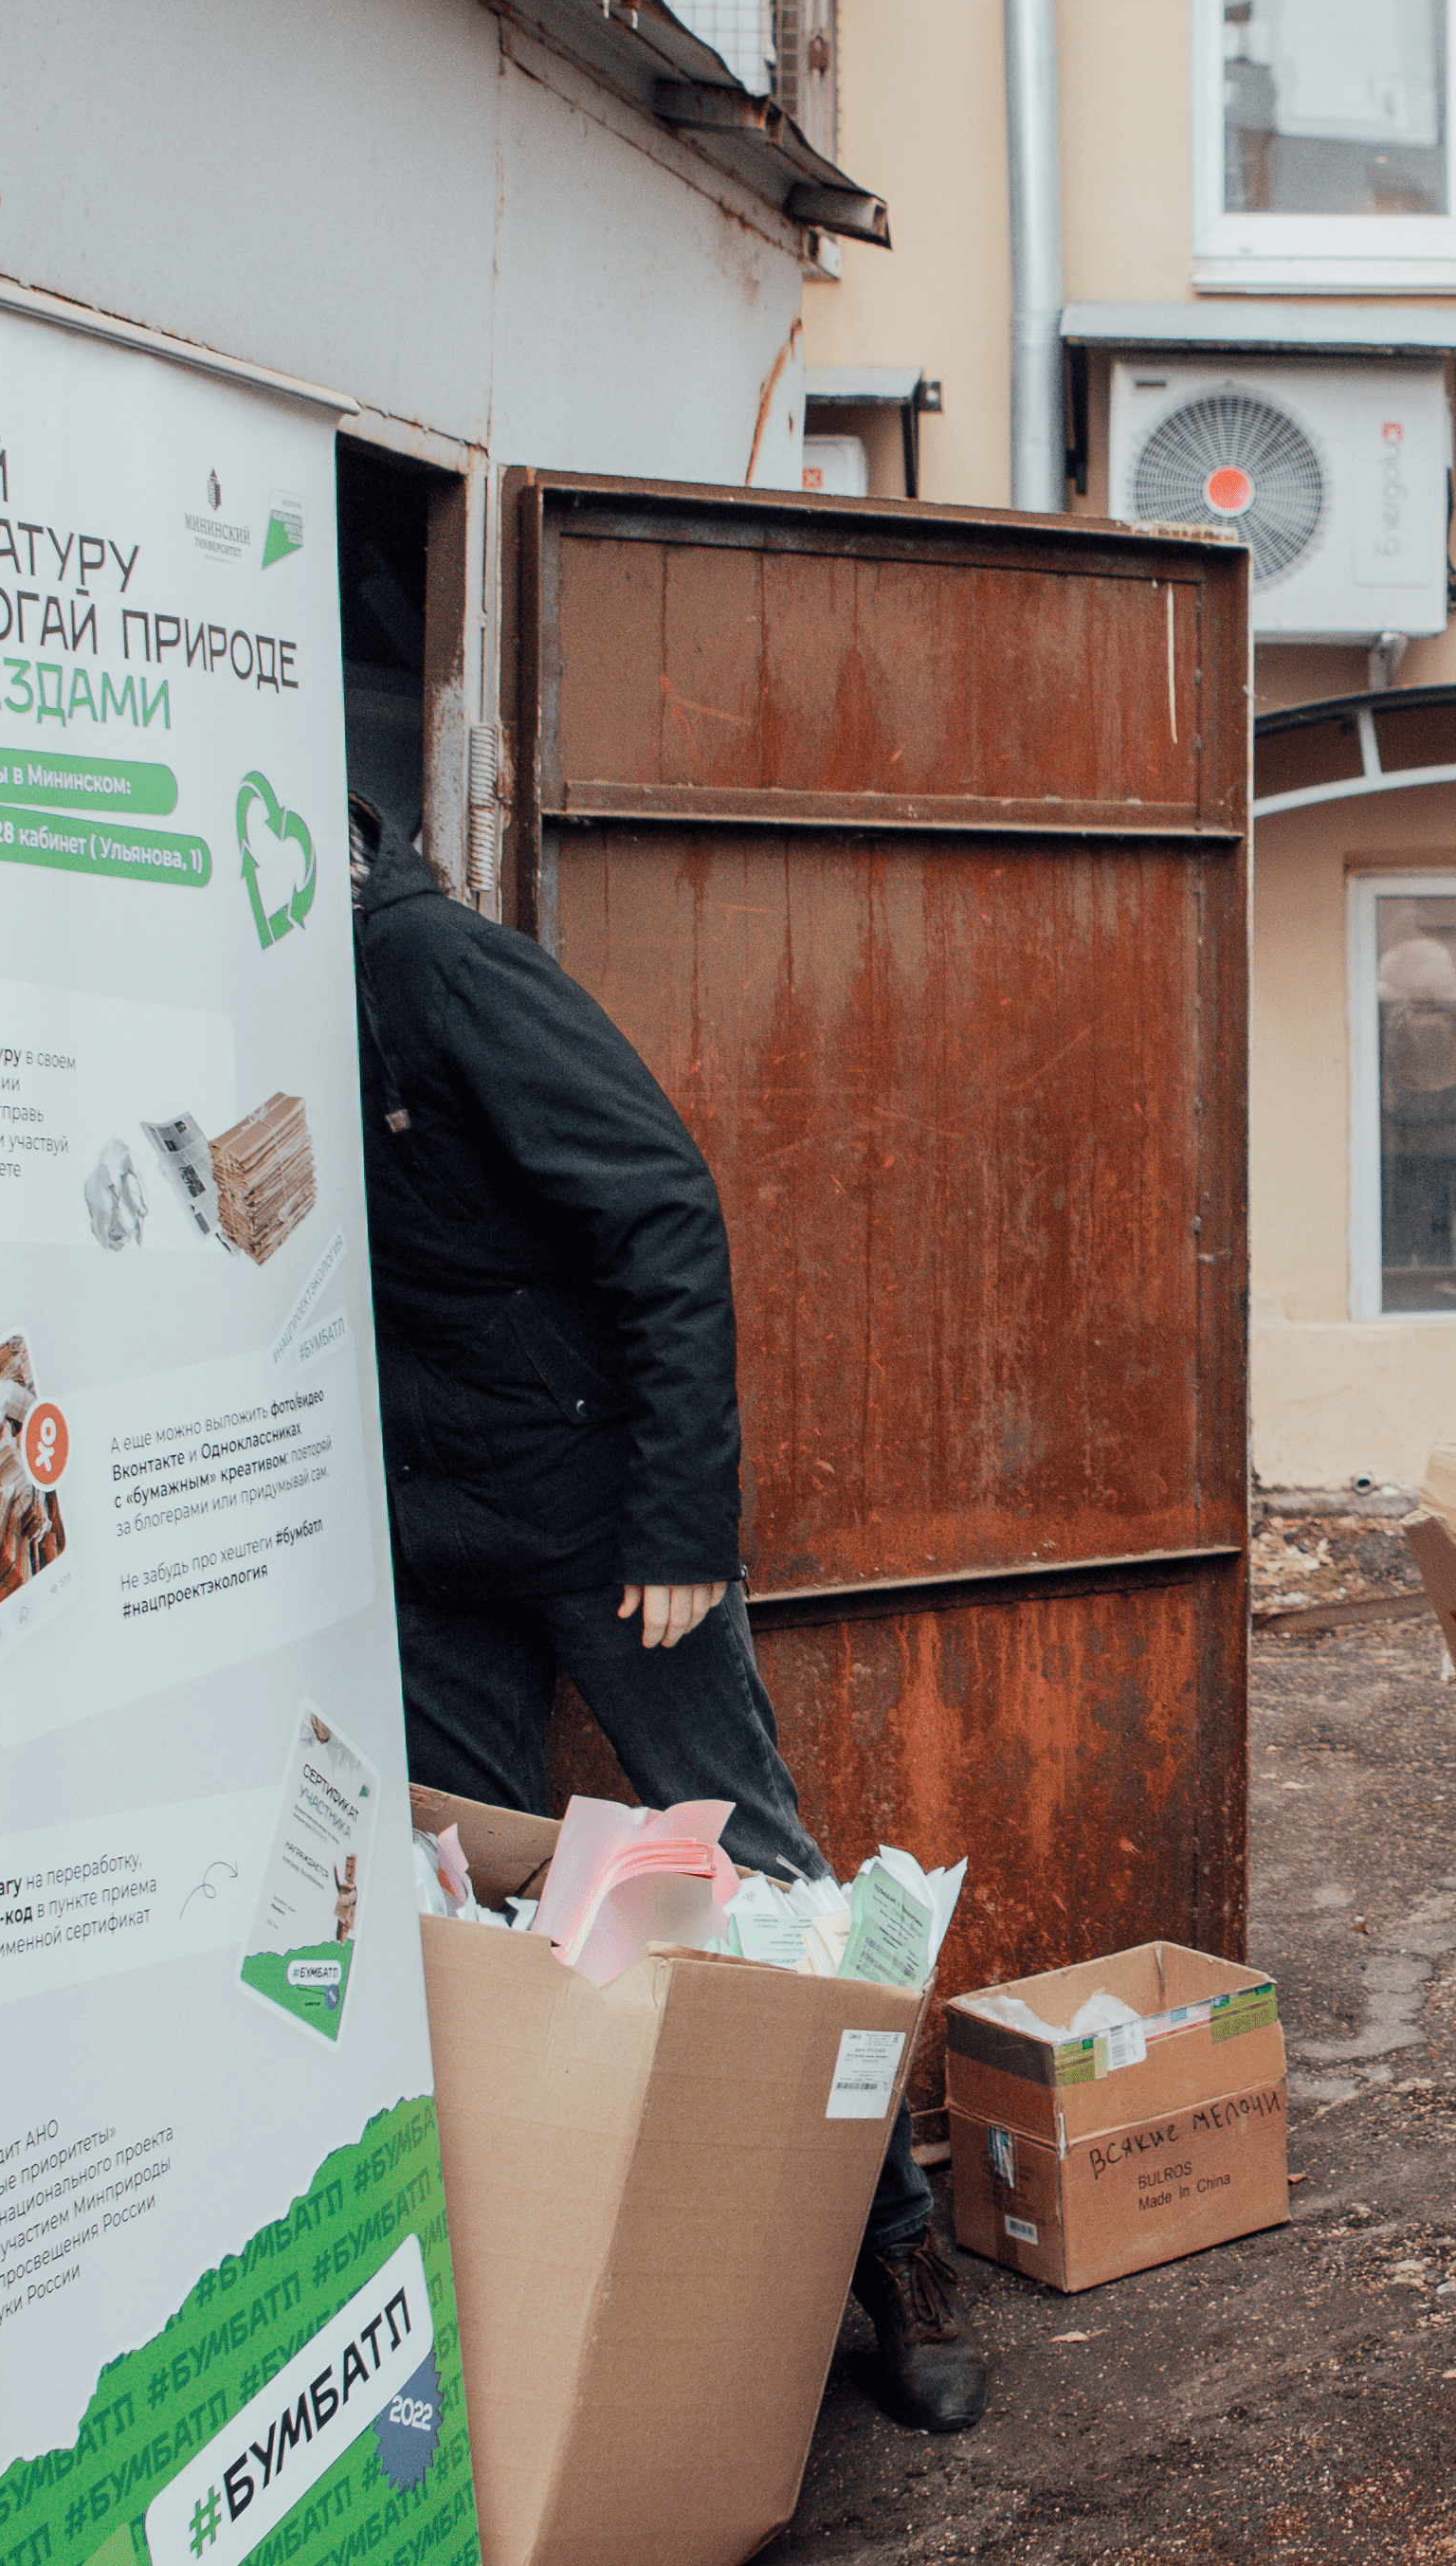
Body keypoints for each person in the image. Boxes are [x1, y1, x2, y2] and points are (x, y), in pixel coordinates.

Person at [346, 797, 986, 2435]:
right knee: (502, 1924)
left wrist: (685, 1519)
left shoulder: (436, 970)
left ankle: (896, 2256)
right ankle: (596, 2271)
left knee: (761, 1883)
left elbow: (662, 1206)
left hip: (608, 1528)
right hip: (428, 1550)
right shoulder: (246, 1018)